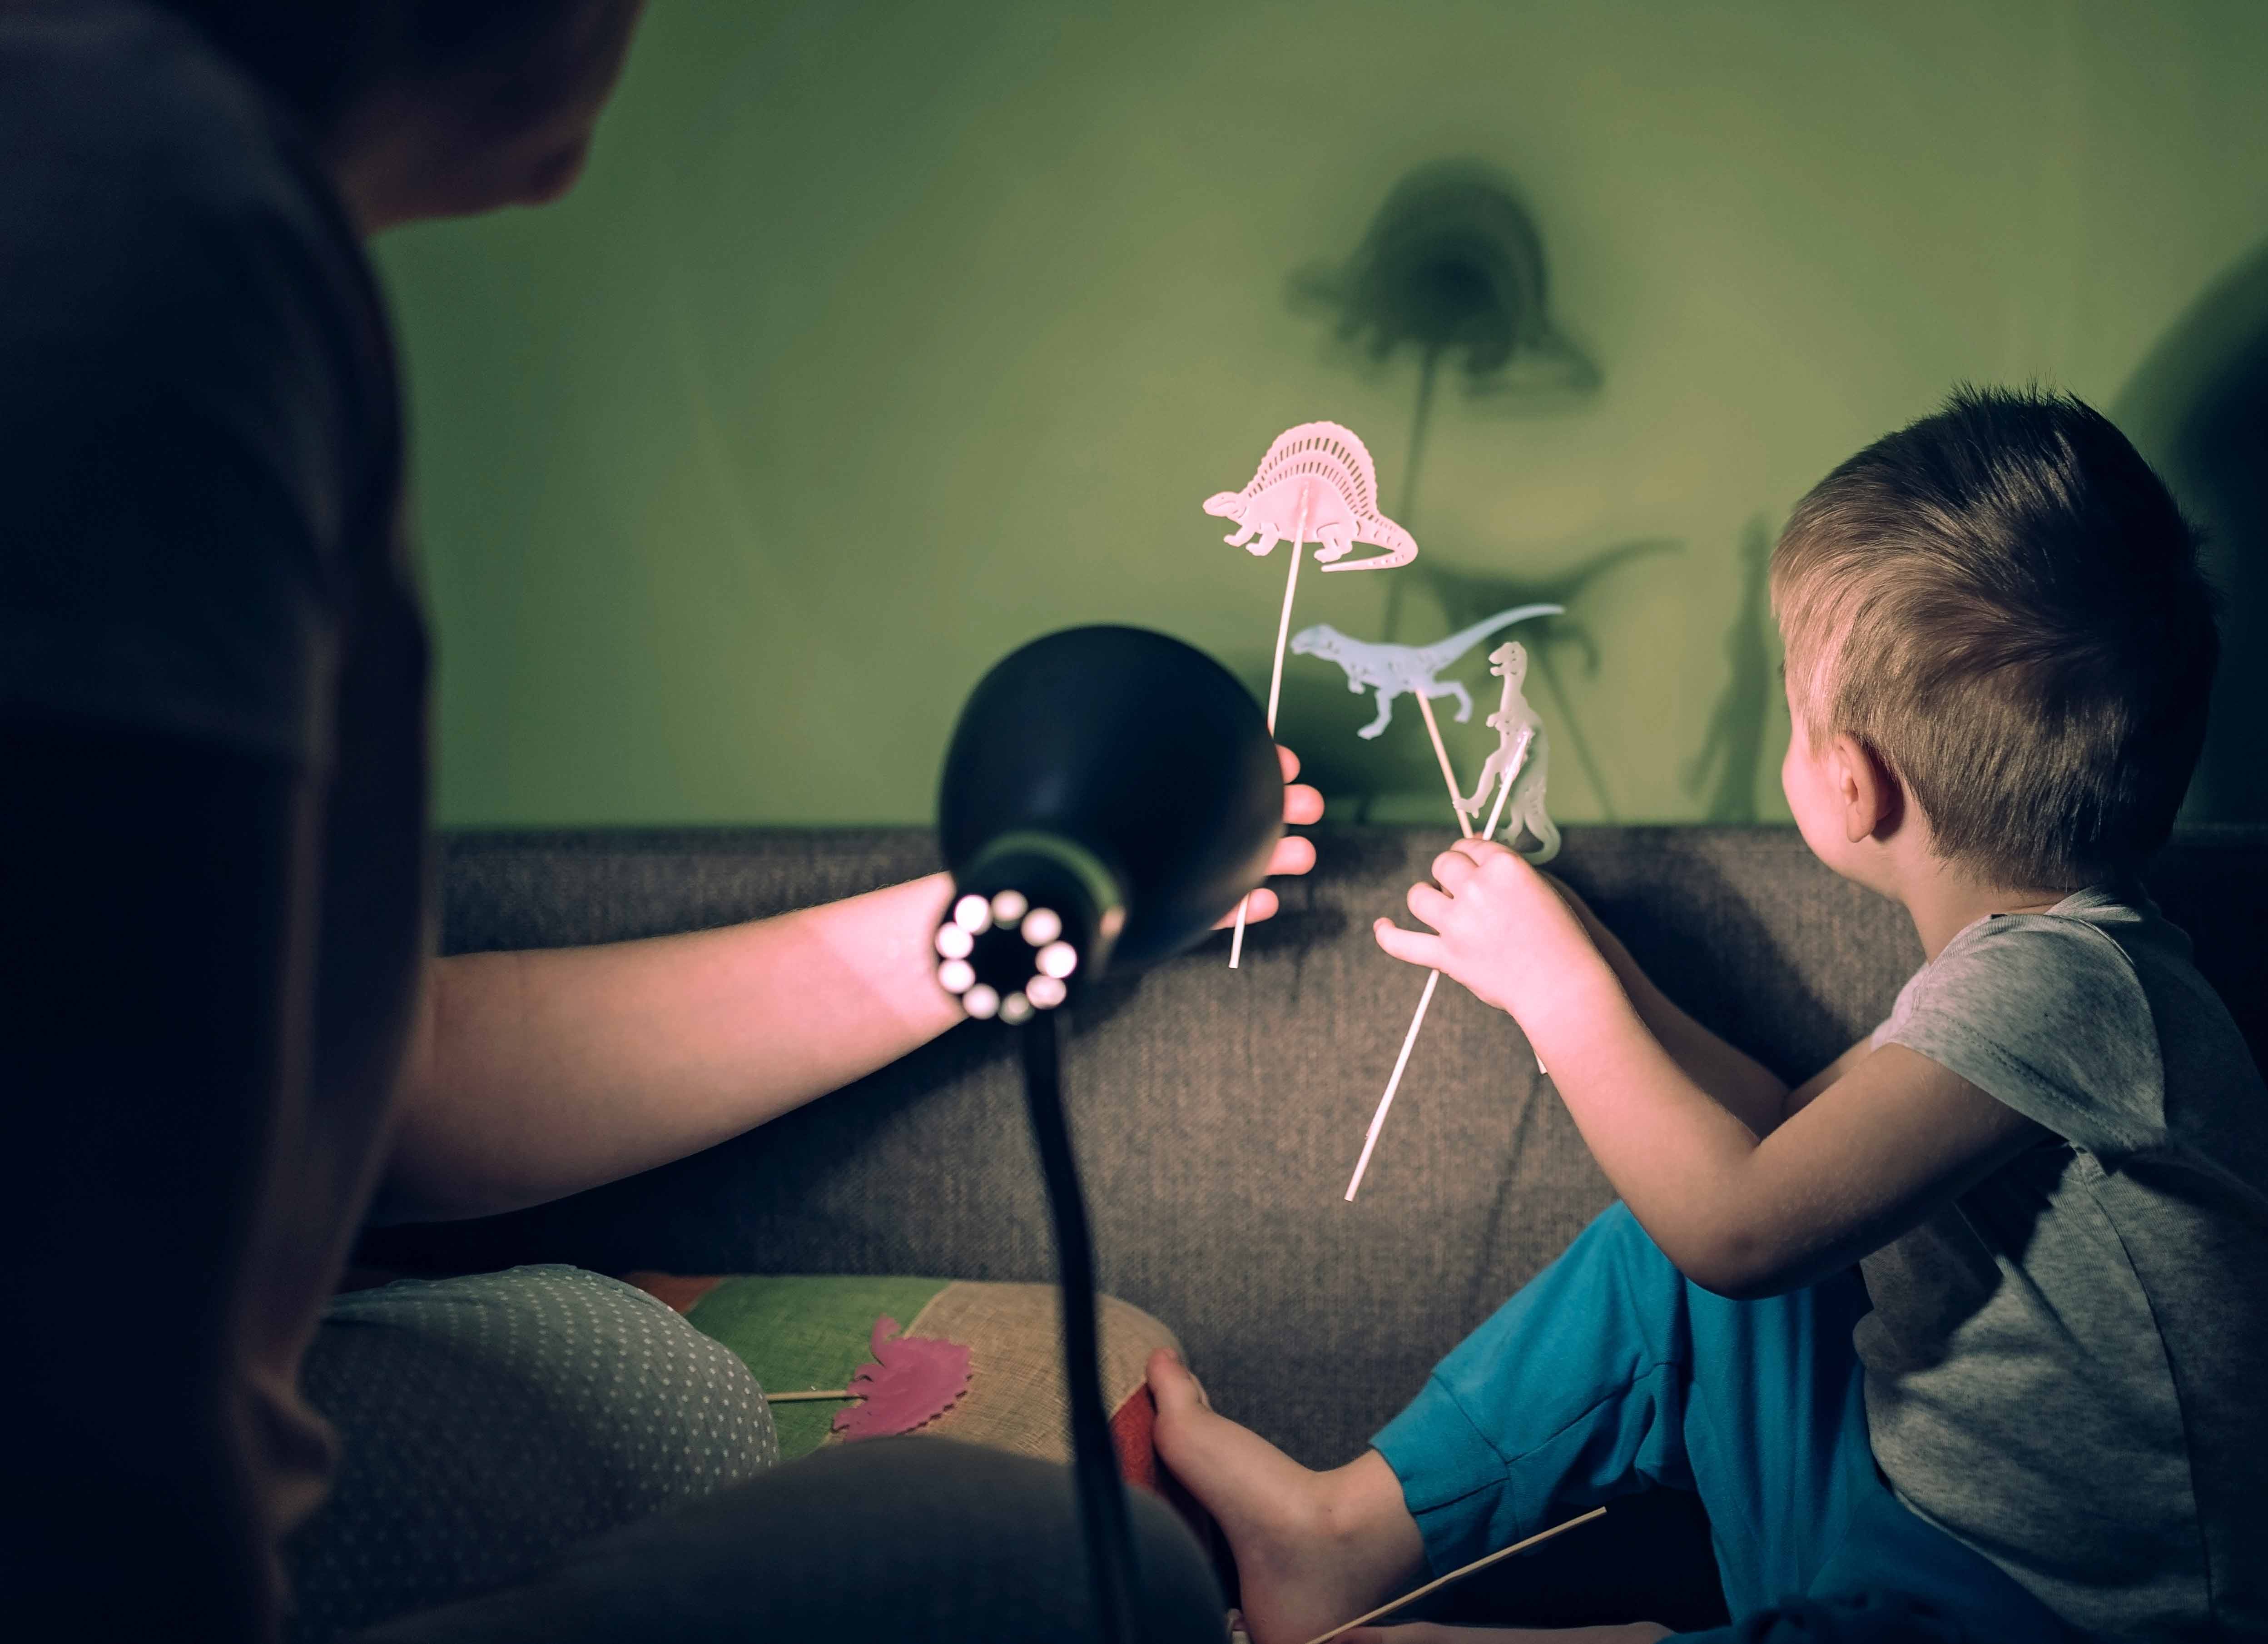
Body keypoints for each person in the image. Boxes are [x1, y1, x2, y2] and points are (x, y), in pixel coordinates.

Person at [0, 2, 1307, 1638]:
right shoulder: (133, 205)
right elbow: (90, 1366)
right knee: (1054, 1580)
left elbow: (376, 1080)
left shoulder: (178, 199)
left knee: (624, 1373)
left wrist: (1000, 913)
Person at [1149, 391, 2268, 1644]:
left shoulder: (2072, 989)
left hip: (2066, 1616)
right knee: (1656, 1259)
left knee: (1712, 1248)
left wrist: (1560, 993)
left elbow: (1743, 1226)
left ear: (1852, 782)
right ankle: (1338, 1538)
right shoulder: (2039, 970)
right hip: (1899, 1512)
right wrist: (1597, 959)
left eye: (1793, 699)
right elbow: (1771, 1149)